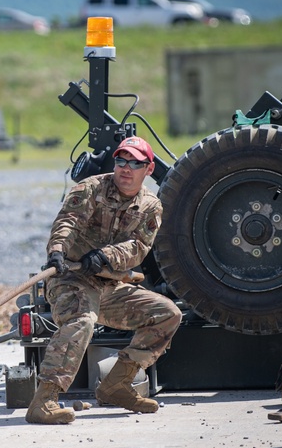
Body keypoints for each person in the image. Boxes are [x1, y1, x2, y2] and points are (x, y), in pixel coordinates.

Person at [26, 135, 182, 424]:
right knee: (81, 320)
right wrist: (58, 251)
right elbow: (67, 222)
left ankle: (116, 386)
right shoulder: (91, 188)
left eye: (134, 163)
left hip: (109, 285)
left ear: (148, 170)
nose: (125, 168)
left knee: (167, 314)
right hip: (71, 279)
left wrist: (105, 256)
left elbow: (138, 247)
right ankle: (43, 401)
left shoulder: (150, 206)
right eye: (121, 160)